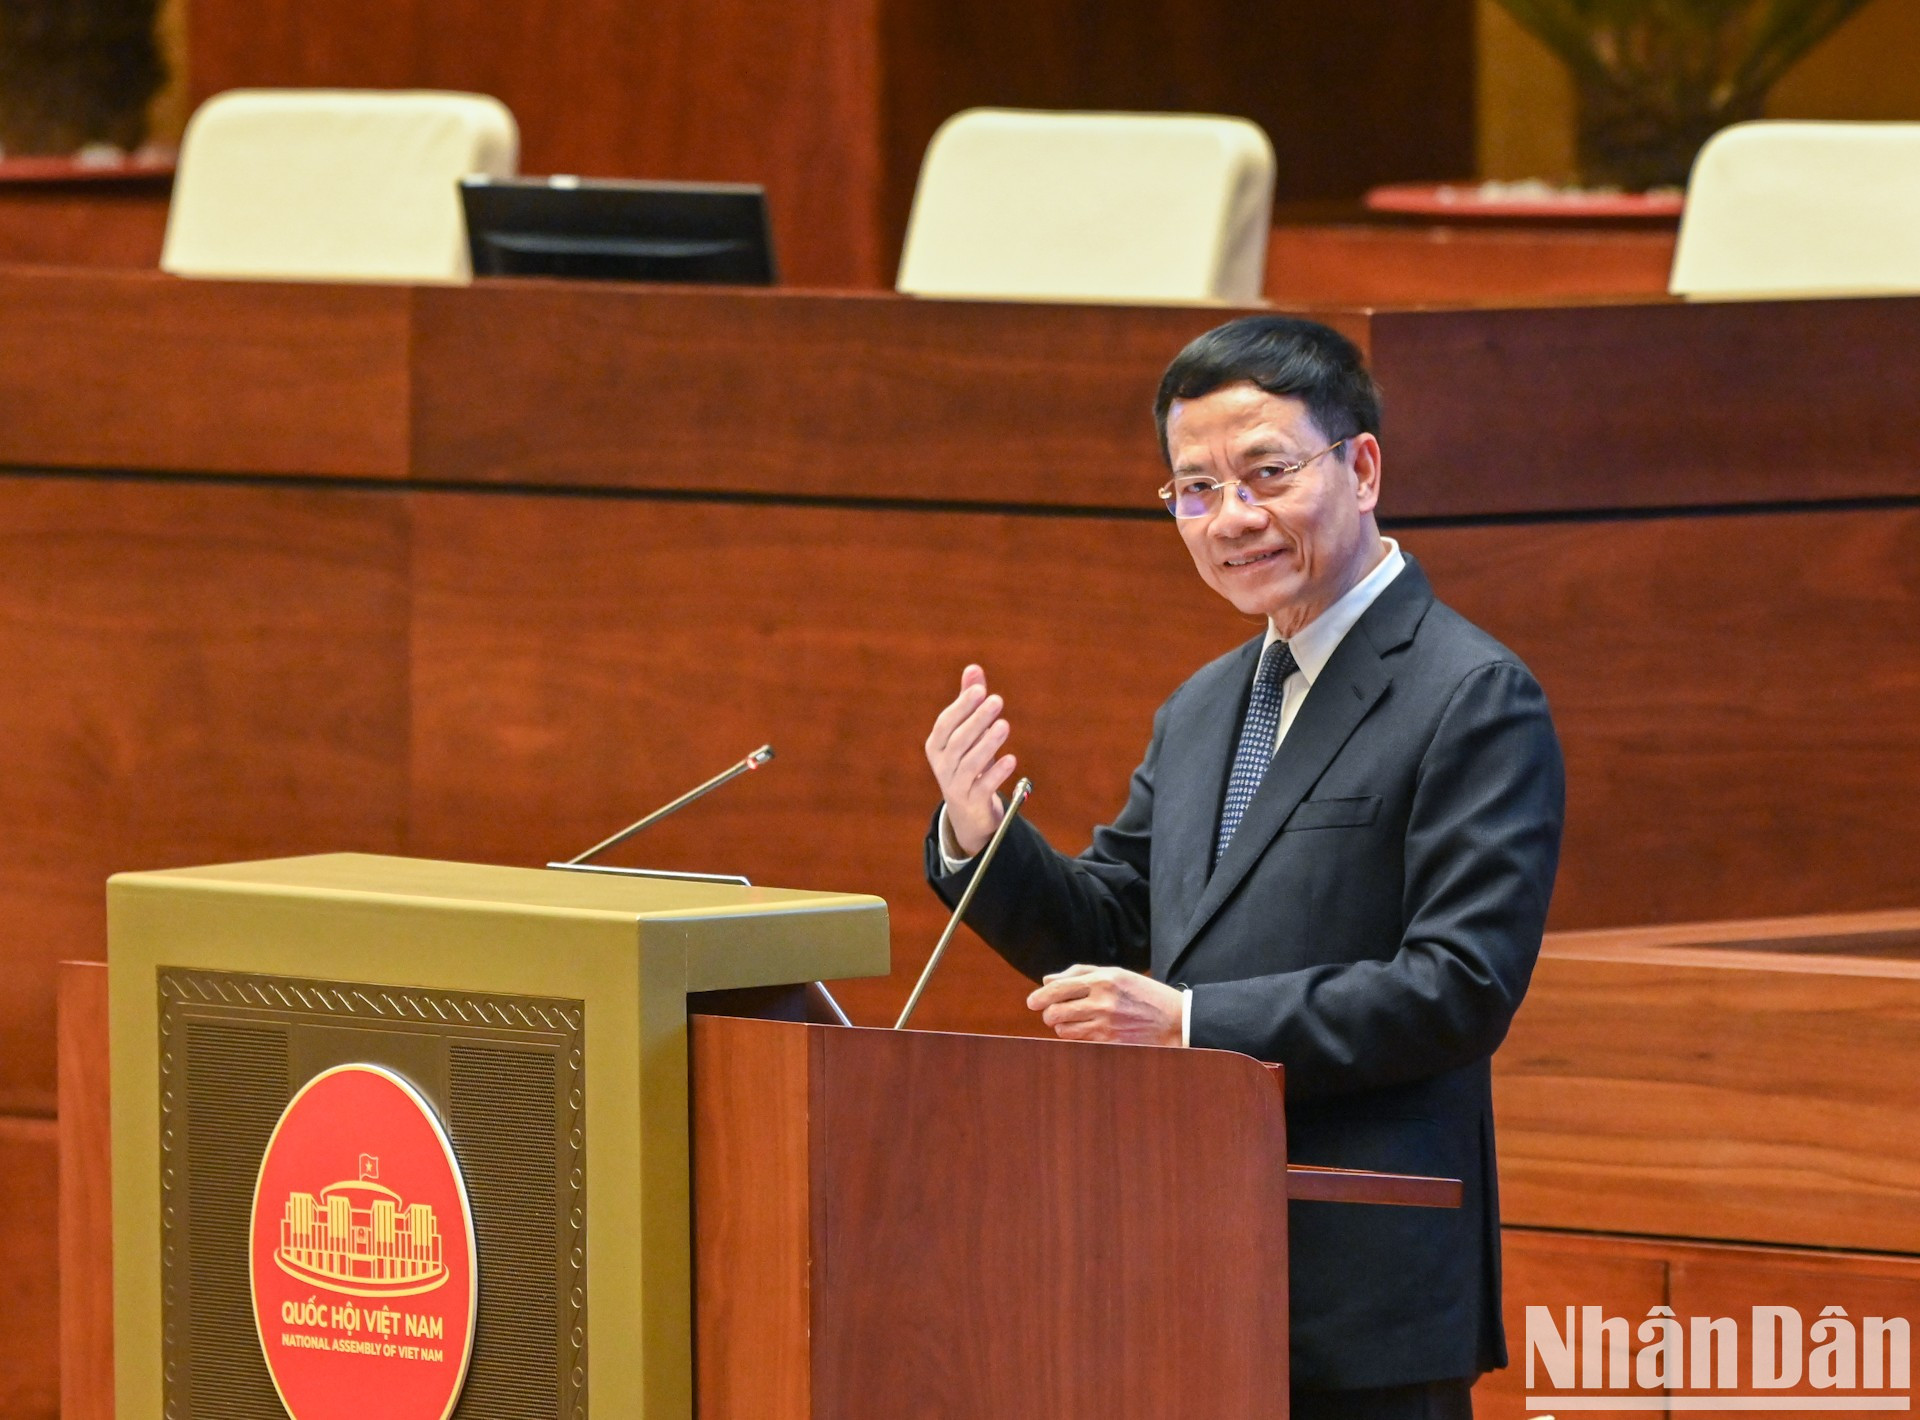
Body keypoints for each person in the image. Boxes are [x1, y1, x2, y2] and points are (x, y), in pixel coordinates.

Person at [922, 314, 1565, 1420]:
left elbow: (1457, 988)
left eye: (1267, 473)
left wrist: (1187, 1024)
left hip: (1360, 1294)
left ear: (1360, 468)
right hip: (1180, 1266)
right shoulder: (1206, 703)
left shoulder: (1471, 695)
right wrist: (982, 840)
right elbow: (1123, 928)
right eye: (1194, 489)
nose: (1232, 518)